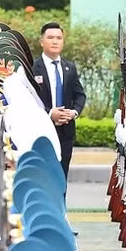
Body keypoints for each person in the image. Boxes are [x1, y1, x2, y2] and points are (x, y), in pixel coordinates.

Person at [32, 22, 86, 180]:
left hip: (66, 132)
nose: (55, 41)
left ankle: (60, 205)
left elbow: (80, 95)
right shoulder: (32, 68)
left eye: (58, 38)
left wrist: (73, 112)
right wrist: (50, 113)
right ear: (42, 41)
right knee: (42, 176)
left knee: (61, 177)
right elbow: (28, 100)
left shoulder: (70, 67)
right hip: (41, 130)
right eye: (50, 37)